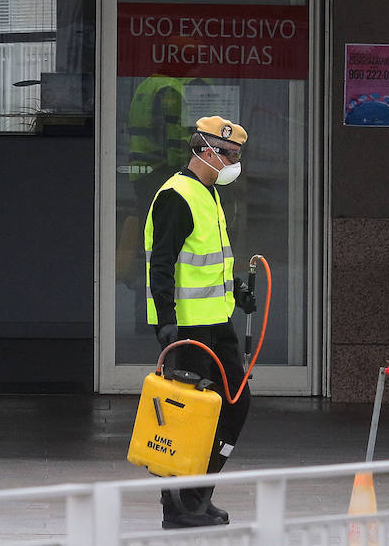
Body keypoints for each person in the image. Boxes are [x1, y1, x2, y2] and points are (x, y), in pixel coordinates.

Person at [145, 115, 257, 529]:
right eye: (229, 155)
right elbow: (162, 266)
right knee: (186, 417)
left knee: (234, 404)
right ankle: (178, 508)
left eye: (237, 156)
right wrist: (166, 323)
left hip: (217, 323)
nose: (234, 163)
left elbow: (209, 261)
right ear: (205, 151)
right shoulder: (176, 195)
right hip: (188, 330)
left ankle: (198, 493)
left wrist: (237, 290)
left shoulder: (208, 193)